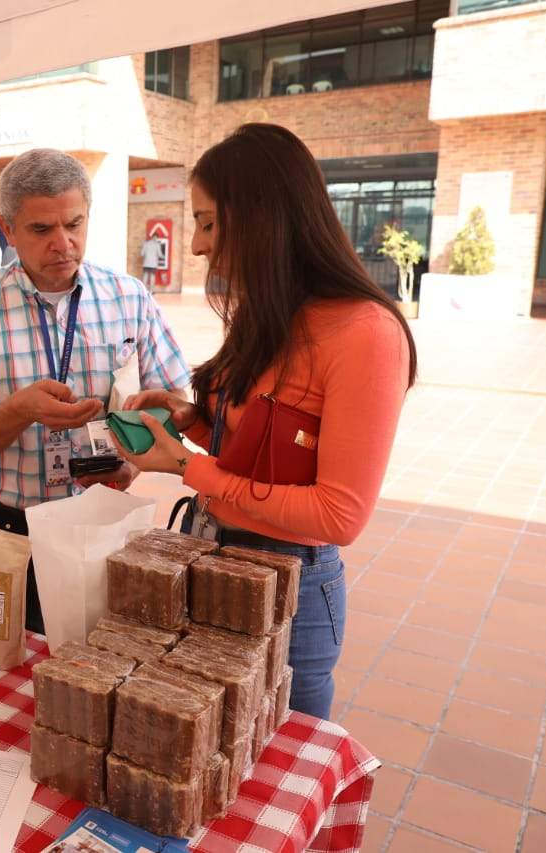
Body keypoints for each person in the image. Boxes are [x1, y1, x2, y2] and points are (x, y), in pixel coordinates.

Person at [113, 124, 417, 720]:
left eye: (208, 223)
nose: (196, 246)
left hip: (289, 587)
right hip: (211, 553)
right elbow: (257, 441)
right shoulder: (267, 309)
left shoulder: (366, 332)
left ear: (261, 220)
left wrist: (187, 466)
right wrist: (189, 419)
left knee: (279, 756)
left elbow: (338, 514)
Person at [0, 148, 190, 633]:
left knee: (107, 656)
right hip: (11, 529)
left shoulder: (128, 297)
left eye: (74, 224)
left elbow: (173, 403)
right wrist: (19, 411)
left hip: (106, 520)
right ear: (7, 229)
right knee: (10, 664)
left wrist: (134, 462)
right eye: (41, 229)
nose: (63, 243)